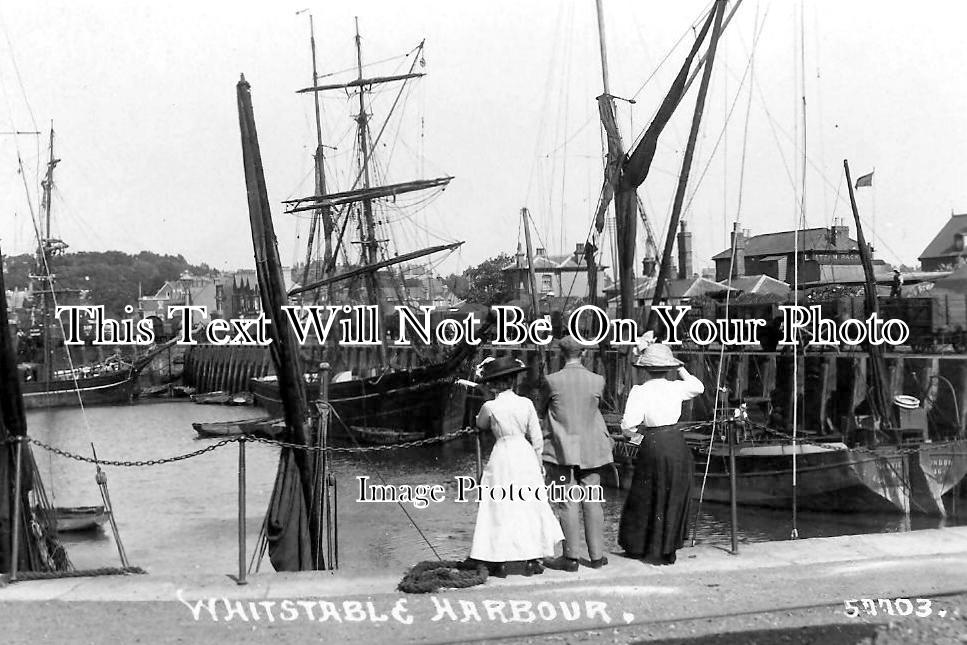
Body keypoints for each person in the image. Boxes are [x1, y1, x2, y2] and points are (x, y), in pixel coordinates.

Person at [469, 356, 564, 577]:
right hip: (524, 454)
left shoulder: (490, 406)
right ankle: (532, 559)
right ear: (513, 381)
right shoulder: (526, 404)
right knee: (528, 504)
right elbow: (537, 437)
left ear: (493, 384)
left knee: (500, 506)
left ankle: (499, 560)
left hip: (502, 454)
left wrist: (486, 399)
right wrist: (538, 462)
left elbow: (479, 424)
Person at [618, 343, 704, 565]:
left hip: (654, 442)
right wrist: (681, 366)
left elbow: (628, 425)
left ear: (645, 369)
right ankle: (668, 547)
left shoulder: (640, 391)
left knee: (646, 494)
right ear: (669, 368)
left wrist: (637, 437)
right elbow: (698, 386)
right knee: (673, 493)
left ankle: (642, 546)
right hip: (676, 442)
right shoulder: (676, 387)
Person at [538, 335, 613, 572]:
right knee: (592, 500)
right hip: (592, 449)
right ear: (584, 354)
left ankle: (570, 558)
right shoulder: (597, 380)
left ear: (562, 354)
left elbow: (542, 409)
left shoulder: (551, 381)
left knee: (567, 501)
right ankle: (597, 557)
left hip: (562, 449)